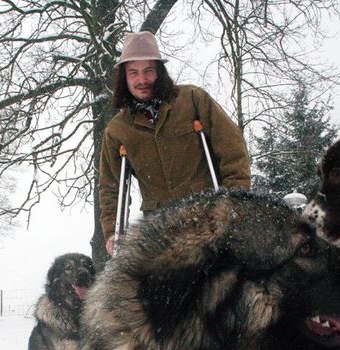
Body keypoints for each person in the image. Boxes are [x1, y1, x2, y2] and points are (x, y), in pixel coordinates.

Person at [99, 31, 251, 255]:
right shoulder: (117, 130)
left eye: (149, 71)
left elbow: (233, 152)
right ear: (125, 77)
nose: (142, 80)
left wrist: (234, 204)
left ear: (159, 72)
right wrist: (113, 232)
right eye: (134, 73)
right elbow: (111, 186)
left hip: (209, 219)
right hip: (161, 231)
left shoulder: (192, 100)